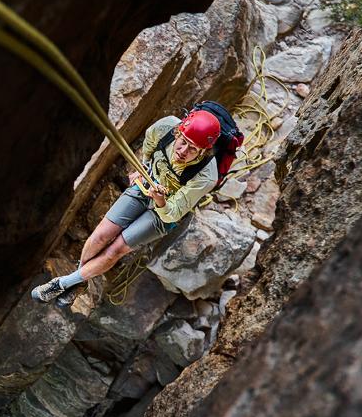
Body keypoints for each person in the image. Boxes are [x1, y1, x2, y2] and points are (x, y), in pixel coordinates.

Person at [32, 109, 224, 302]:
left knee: (116, 249)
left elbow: (171, 214)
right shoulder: (167, 127)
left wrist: (160, 200)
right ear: (178, 132)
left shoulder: (206, 176)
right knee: (101, 236)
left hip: (164, 212)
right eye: (182, 142)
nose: (182, 151)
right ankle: (79, 281)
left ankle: (62, 284)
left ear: (203, 151)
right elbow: (149, 144)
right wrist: (143, 167)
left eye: (192, 149)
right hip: (146, 185)